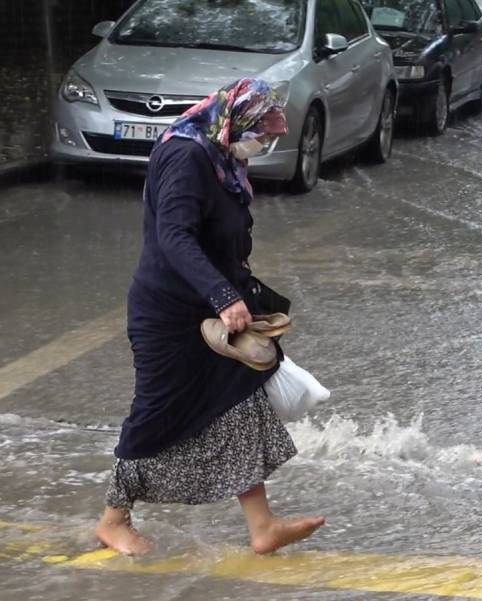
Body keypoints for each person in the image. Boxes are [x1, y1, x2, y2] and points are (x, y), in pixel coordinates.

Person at [95, 79, 325, 556]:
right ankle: (113, 520)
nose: (261, 143)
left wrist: (237, 293)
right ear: (233, 118)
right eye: (259, 132)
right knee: (155, 413)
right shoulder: (187, 156)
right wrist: (224, 296)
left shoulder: (221, 157)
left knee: (239, 402)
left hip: (210, 311)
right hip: (169, 314)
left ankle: (263, 527)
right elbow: (175, 236)